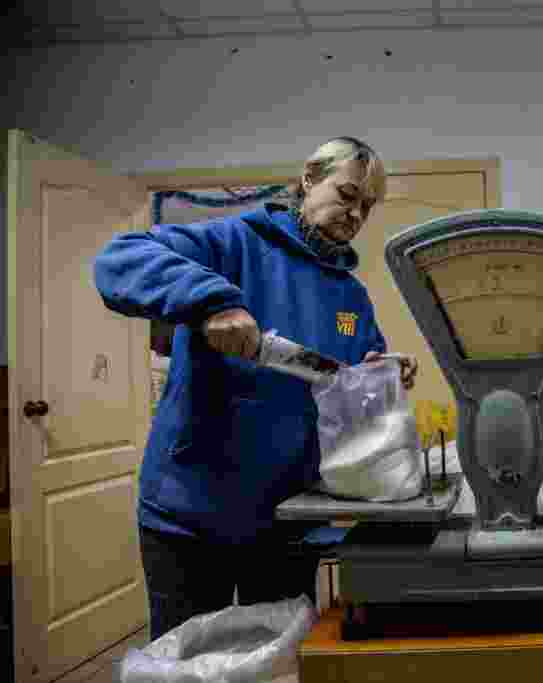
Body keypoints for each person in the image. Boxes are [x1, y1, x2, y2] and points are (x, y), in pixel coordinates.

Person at [94, 136, 418, 640]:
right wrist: (211, 301)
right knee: (189, 668)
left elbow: (350, 383)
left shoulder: (350, 294)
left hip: (290, 521)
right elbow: (120, 259)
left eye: (368, 206)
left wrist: (379, 373)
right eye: (347, 194)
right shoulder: (232, 244)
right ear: (310, 178)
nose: (356, 214)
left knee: (278, 663)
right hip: (191, 519)